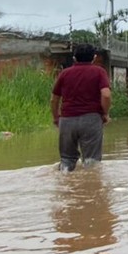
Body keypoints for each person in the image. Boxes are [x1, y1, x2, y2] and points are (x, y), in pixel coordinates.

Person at [50, 43, 111, 171]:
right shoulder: (99, 72)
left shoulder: (64, 74)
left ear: (74, 58)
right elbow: (106, 95)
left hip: (67, 120)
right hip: (91, 119)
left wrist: (56, 118)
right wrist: (105, 114)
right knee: (91, 161)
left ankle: (65, 184)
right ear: (94, 58)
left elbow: (54, 99)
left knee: (66, 160)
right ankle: (89, 187)